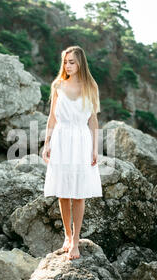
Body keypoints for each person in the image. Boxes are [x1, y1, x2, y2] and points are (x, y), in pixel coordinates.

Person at [42, 46, 102, 260]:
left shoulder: (90, 86)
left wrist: (95, 148)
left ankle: (76, 241)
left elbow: (93, 120)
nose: (68, 65)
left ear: (81, 63)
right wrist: (47, 142)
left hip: (81, 140)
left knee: (78, 193)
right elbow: (52, 117)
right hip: (61, 138)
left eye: (72, 62)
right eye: (65, 61)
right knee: (63, 191)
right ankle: (67, 235)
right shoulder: (58, 85)